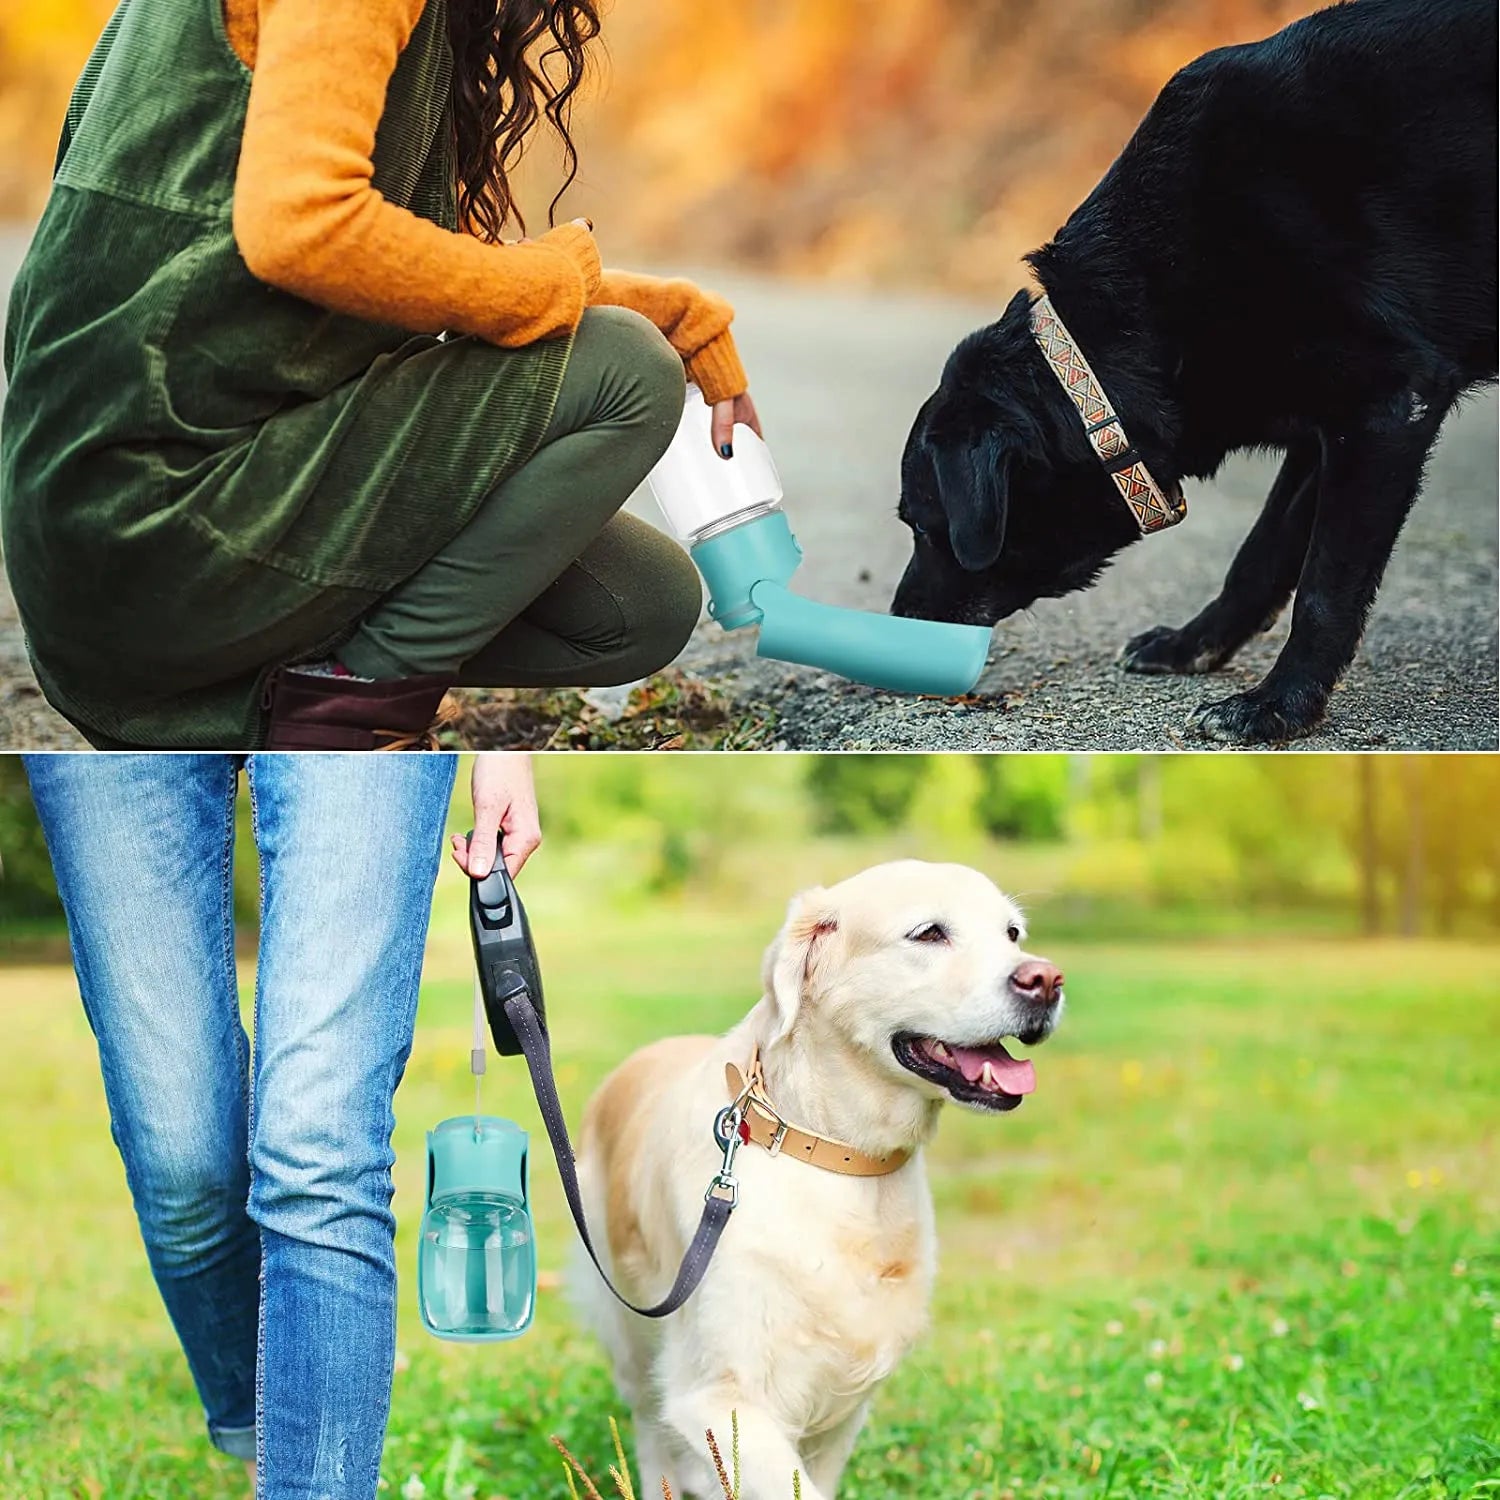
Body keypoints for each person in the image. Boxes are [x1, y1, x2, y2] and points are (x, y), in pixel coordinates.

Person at [1, 0, 762, 752]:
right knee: (623, 368)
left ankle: (256, 701)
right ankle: (345, 719)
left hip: (105, 555)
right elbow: (305, 227)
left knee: (638, 604)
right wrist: (560, 291)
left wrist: (678, 315)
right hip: (159, 529)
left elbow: (414, 267)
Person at [21, 751, 540, 1498]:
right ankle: (272, 1415)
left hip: (356, 705)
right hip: (132, 692)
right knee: (180, 1155)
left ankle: (307, 1472)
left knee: (320, 1146)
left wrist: (505, 749)